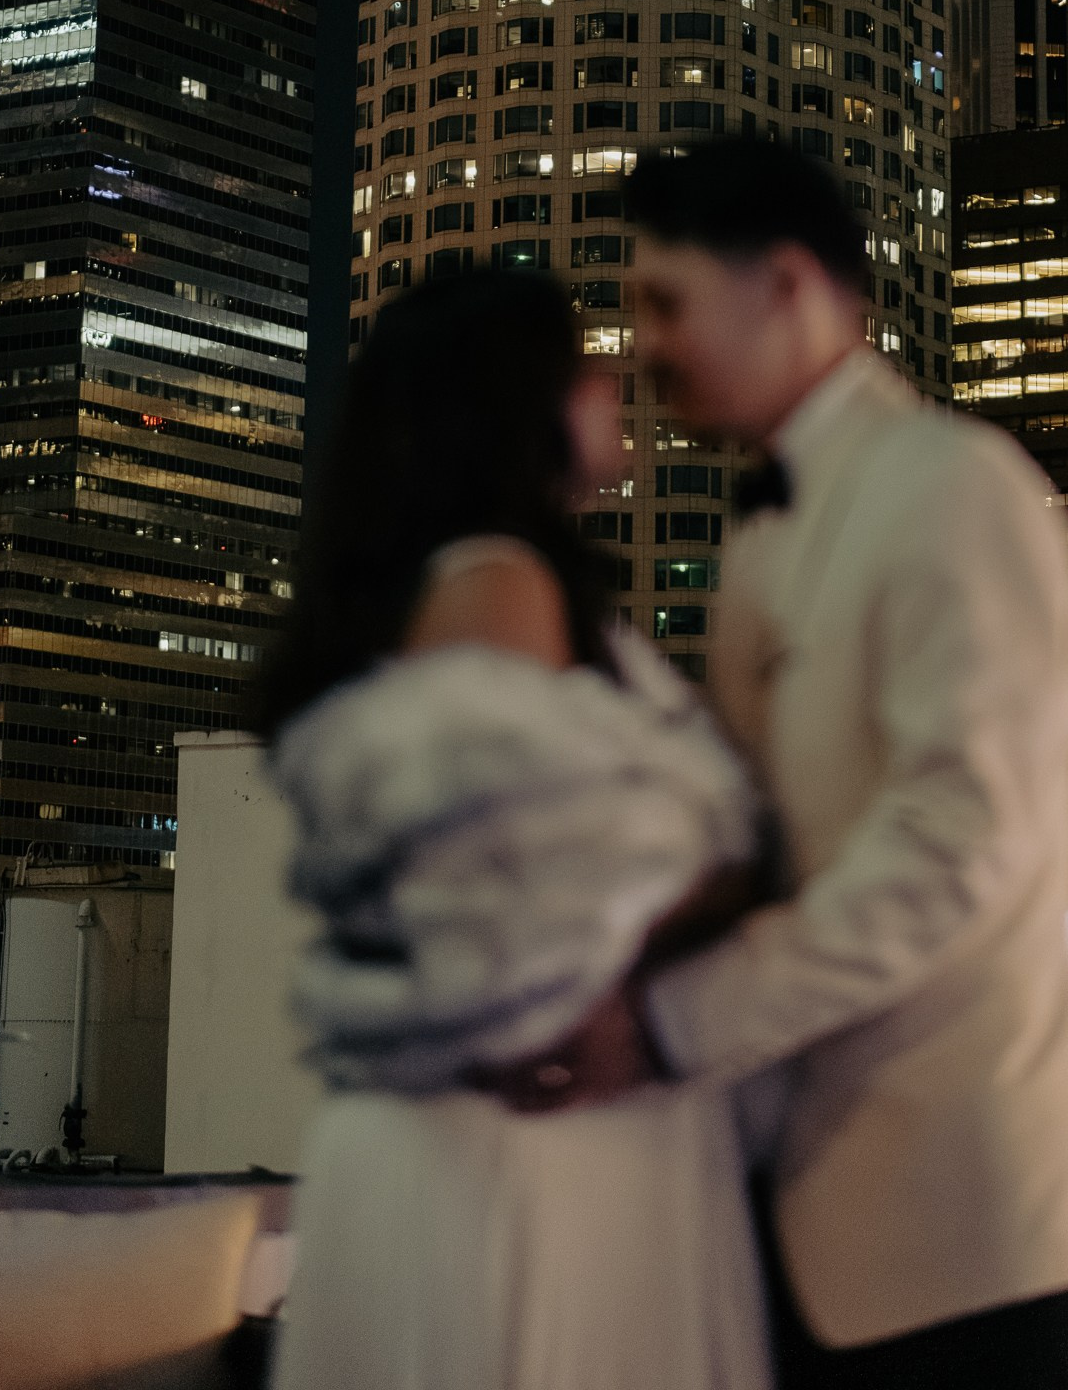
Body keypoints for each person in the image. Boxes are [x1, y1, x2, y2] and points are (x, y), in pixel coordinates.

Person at [522, 136, 1068, 1390]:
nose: (643, 343)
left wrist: (668, 1020)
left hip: (969, 1232)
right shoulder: (759, 541)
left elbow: (954, 847)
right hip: (797, 1214)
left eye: (666, 302)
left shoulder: (957, 489)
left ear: (790, 287)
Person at [257, 268, 773, 1390]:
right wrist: (755, 874)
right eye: (581, 366)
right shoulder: (501, 586)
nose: (615, 381)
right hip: (527, 1147)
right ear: (510, 401)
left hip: (507, 1141)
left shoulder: (480, 585)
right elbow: (527, 906)